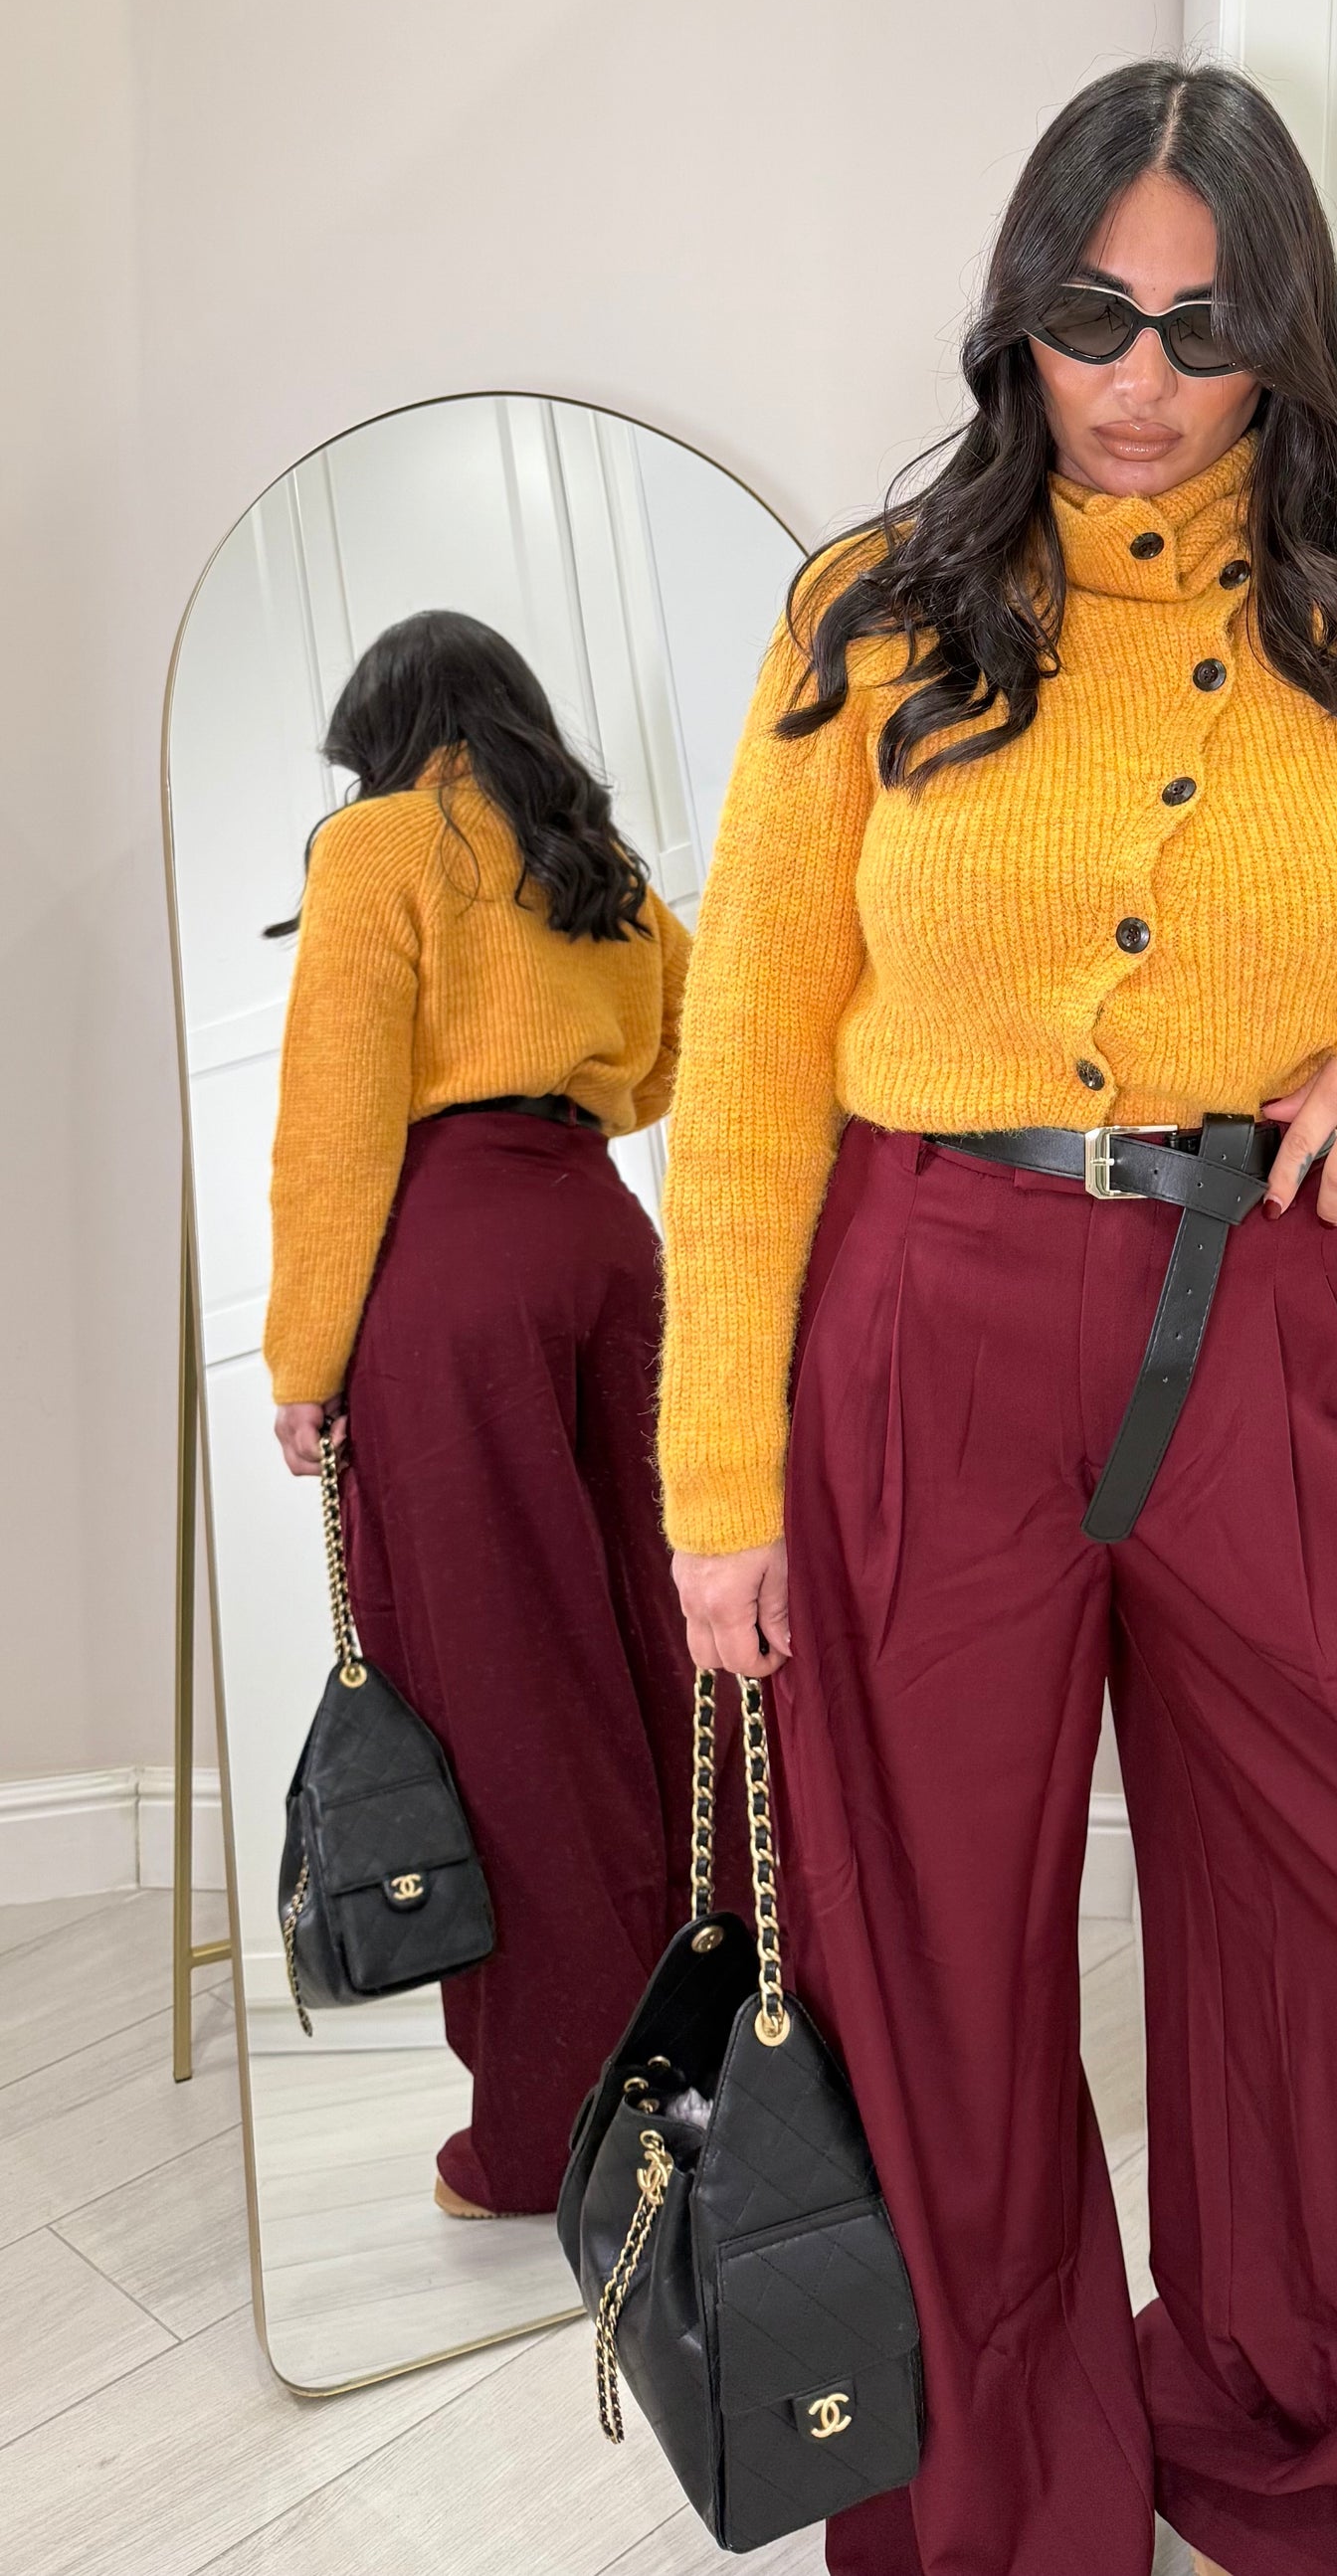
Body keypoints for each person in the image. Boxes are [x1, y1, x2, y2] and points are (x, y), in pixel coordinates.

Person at [652, 64, 1337, 2576]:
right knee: (929, 1995)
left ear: (1283, 329)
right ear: (1016, 315)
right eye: (1092, 315)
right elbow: (745, 1068)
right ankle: (993, 2528)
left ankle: (1284, 2443)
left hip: (1249, 1320)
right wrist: (717, 1475)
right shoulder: (871, 613)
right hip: (914, 1327)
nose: (1139, 379)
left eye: (1201, 320)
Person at [265, 608, 704, 2222]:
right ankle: (709, 2074)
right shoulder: (598, 862)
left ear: (382, 730)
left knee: (501, 1686)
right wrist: (585, 1086)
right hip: (603, 1238)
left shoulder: (379, 846)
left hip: (452, 1258)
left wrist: (302, 1358)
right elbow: (680, 1048)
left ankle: (549, 2132)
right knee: (660, 1655)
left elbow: (335, 1122)